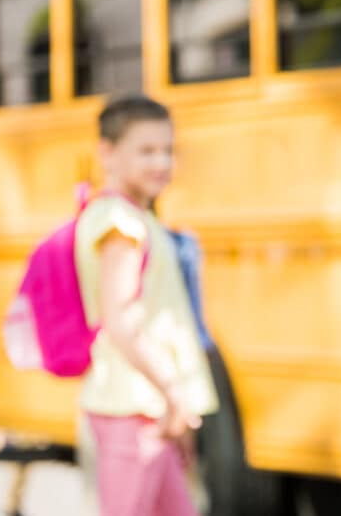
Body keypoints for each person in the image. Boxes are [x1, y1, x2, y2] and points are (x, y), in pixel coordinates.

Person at [75, 95, 218, 516]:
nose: (161, 162)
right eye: (146, 151)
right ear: (107, 153)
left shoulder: (138, 220)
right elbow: (121, 322)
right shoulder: (119, 224)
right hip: (131, 408)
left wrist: (176, 404)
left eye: (168, 150)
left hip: (150, 409)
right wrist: (174, 394)